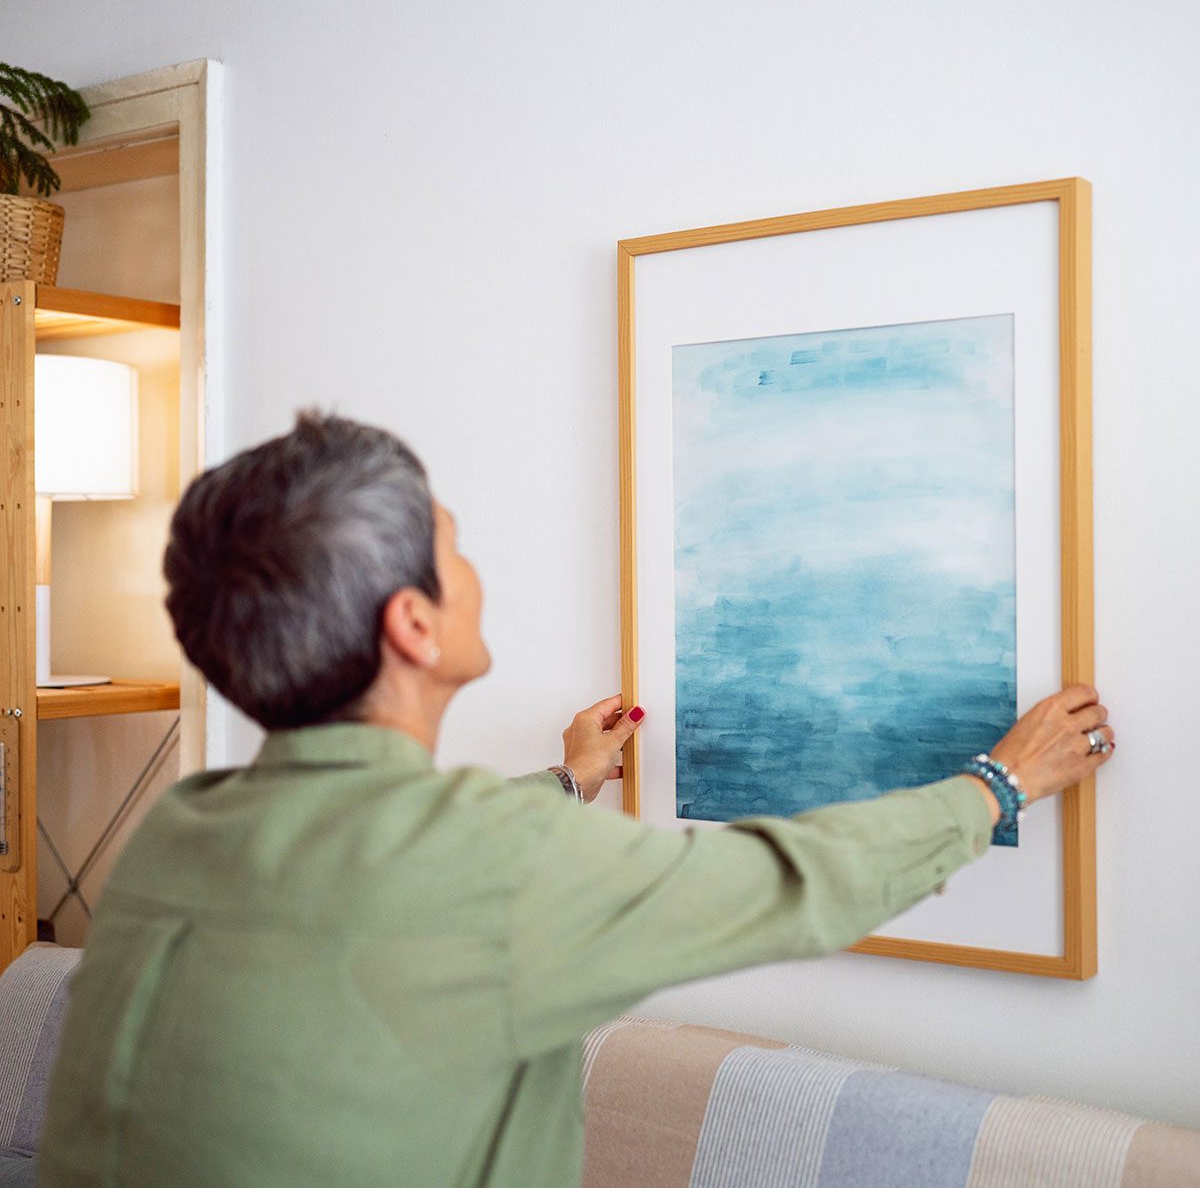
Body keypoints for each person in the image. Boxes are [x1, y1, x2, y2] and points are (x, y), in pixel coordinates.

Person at [39, 413, 1115, 1188]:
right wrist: (1001, 781)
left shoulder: (182, 832)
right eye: (455, 549)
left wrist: (564, 785)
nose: (476, 570)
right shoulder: (477, 866)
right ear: (413, 624)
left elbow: (386, 873)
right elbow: (796, 884)